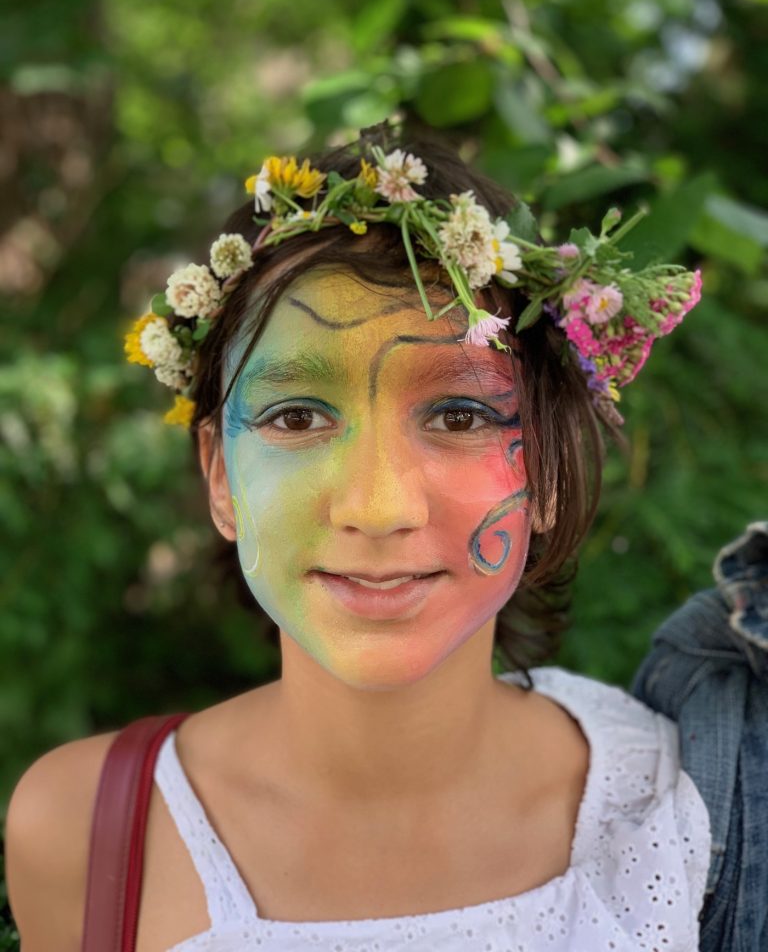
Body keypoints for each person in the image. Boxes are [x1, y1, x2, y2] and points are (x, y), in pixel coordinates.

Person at [5, 120, 716, 951]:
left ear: (550, 475)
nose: (378, 507)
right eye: (296, 417)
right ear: (221, 478)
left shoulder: (684, 806)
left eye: (460, 415)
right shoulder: (83, 832)